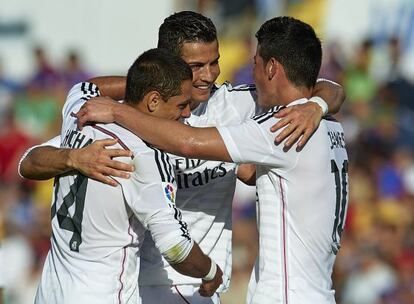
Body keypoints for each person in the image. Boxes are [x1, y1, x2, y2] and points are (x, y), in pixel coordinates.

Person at [19, 11, 345, 303]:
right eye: (195, 67)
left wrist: (316, 107)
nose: (208, 75)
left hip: (193, 285)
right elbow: (30, 161)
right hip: (141, 279)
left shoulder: (239, 105)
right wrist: (73, 158)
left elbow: (319, 86)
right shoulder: (121, 124)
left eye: (214, 62)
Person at [33, 48, 223, 304]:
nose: (187, 113)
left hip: (50, 293)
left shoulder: (79, 113)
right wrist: (210, 271)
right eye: (182, 104)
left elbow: (86, 86)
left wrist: (70, 157)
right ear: (154, 101)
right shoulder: (144, 157)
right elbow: (176, 248)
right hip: (104, 295)